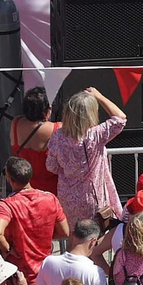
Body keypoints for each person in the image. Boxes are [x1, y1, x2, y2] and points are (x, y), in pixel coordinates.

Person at [47, 87, 127, 226]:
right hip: (91, 197)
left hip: (67, 197)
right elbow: (120, 118)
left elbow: (51, 167)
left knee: (73, 237)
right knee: (94, 239)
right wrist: (99, 96)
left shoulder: (58, 136)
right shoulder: (95, 135)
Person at [0, 157, 65, 285]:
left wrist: (8, 249)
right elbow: (64, 232)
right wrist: (42, 238)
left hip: (17, 272)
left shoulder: (6, 205)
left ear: (9, 179)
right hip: (44, 273)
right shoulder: (50, 199)